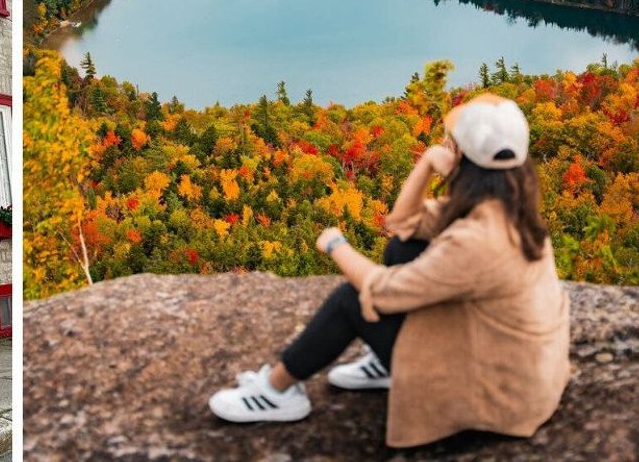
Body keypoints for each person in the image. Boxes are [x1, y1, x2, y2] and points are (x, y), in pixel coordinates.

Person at [208, 94, 571, 448]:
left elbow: (382, 290)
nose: (446, 146)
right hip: (518, 368)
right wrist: (428, 162)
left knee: (351, 299)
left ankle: (277, 390)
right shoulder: (508, 208)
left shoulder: (477, 239)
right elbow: (403, 224)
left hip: (499, 395)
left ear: (462, 157)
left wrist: (336, 245)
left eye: (450, 144)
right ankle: (388, 363)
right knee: (404, 247)